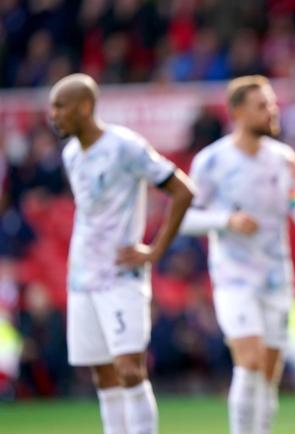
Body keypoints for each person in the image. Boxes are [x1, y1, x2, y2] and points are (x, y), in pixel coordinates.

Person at [49, 73, 194, 434]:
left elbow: (182, 190)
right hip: (82, 276)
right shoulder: (71, 154)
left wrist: (155, 250)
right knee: (103, 374)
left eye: (60, 106)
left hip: (120, 274)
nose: (54, 115)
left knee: (129, 369)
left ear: (85, 106)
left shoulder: (124, 146)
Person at [179, 75, 295, 434]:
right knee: (250, 360)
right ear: (238, 113)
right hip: (234, 279)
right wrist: (226, 220)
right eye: (262, 106)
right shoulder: (212, 161)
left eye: (272, 104)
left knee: (269, 374)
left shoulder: (283, 160)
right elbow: (184, 218)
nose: (272, 111)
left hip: (276, 280)